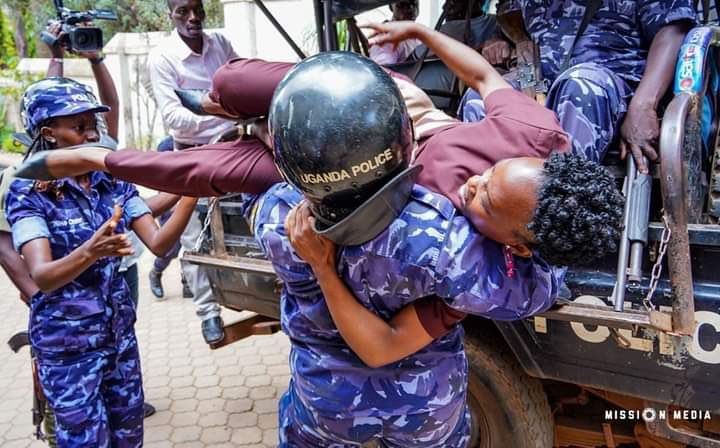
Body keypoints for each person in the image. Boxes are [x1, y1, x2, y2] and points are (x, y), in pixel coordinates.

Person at [17, 27, 623, 446]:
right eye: (489, 176)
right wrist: (416, 32)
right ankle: (218, 106)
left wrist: (107, 163)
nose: (474, 188)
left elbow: (506, 291)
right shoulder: (531, 135)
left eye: (487, 201)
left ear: (515, 244)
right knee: (239, 86)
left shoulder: (459, 254)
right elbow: (483, 73)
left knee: (226, 166)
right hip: (400, 120)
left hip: (374, 170)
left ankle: (103, 159)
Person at [5, 76, 197, 447]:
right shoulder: (27, 193)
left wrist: (191, 193)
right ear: (49, 134)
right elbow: (43, 276)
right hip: (68, 350)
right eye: (79, 127)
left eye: (93, 125)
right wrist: (90, 252)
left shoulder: (112, 179)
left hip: (118, 340)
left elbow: (157, 242)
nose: (92, 135)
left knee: (129, 438)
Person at [462, 0, 696, 170]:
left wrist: (644, 105)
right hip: (536, 83)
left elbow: (673, 31)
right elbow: (510, 20)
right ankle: (486, 202)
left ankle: (562, 207)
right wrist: (498, 40)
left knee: (577, 84)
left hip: (610, 83)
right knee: (482, 95)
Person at [148, 0, 238, 343]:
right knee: (193, 234)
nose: (193, 17)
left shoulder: (222, 44)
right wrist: (223, 115)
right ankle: (208, 313)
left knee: (244, 218)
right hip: (191, 154)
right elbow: (175, 117)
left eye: (197, 9)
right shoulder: (162, 57)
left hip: (234, 144)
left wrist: (231, 115)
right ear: (170, 15)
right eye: (183, 11)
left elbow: (239, 83)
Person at [147, 136, 190, 299]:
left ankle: (187, 282)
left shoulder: (195, 140)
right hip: (168, 200)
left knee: (194, 244)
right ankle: (156, 272)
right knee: (172, 247)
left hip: (192, 199)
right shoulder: (167, 144)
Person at [369, 0, 421, 65]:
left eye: (414, 2)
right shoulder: (388, 36)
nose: (410, 7)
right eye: (402, 4)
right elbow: (383, 70)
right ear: (391, 7)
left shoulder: (418, 35)